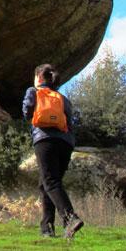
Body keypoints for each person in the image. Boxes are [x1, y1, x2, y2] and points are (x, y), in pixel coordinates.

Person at [22, 64, 83, 238]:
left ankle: (70, 218)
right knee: (47, 184)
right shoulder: (62, 98)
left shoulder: (33, 91)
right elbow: (70, 122)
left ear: (39, 78)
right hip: (66, 143)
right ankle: (47, 228)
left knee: (50, 182)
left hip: (45, 140)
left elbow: (27, 112)